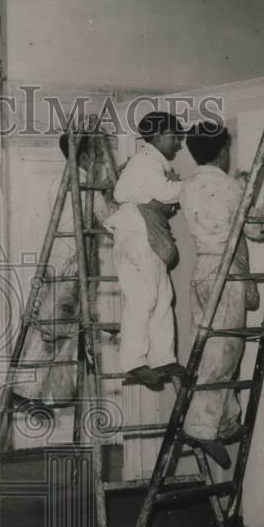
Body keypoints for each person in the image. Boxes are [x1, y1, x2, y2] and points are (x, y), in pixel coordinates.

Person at [179, 123, 264, 469]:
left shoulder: (188, 185)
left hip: (202, 270)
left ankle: (225, 421)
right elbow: (257, 230)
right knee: (225, 351)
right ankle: (202, 427)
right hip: (226, 273)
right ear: (223, 151)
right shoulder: (231, 187)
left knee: (210, 347)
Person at [12, 133, 117, 408]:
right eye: (96, 154)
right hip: (72, 263)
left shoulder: (63, 180)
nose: (99, 159)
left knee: (59, 327)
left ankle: (59, 393)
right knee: (56, 328)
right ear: (84, 156)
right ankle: (25, 390)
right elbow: (111, 220)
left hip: (58, 260)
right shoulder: (83, 185)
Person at [103, 111, 187, 387]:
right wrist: (192, 184)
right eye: (175, 137)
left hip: (141, 233)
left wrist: (174, 187)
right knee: (143, 299)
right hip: (136, 234)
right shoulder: (145, 162)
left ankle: (163, 357)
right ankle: (134, 361)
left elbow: (161, 196)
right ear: (159, 136)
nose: (178, 144)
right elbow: (165, 193)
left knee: (162, 296)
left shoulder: (150, 162)